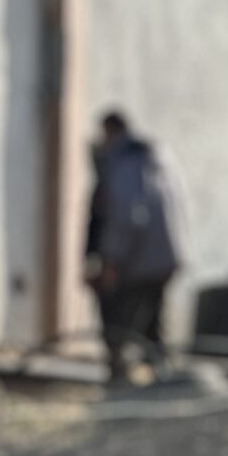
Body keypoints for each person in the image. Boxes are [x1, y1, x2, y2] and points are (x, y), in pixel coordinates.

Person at [85, 109, 185, 383]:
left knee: (119, 322)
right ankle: (160, 377)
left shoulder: (126, 163)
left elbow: (128, 216)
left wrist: (112, 260)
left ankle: (121, 379)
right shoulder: (156, 158)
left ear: (110, 131)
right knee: (152, 322)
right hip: (164, 258)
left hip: (137, 260)